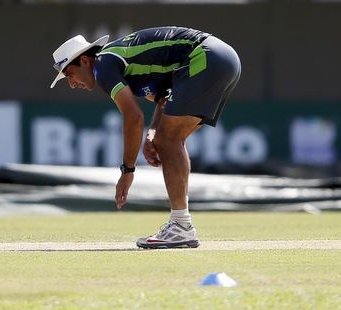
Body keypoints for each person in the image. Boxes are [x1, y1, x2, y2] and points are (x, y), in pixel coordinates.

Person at [50, 26, 241, 249]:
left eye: (69, 74)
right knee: (167, 139)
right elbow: (164, 98)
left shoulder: (102, 65)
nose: (72, 84)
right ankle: (181, 225)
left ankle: (181, 226)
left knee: (169, 140)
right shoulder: (123, 63)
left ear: (84, 61)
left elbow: (133, 117)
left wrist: (128, 170)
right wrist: (152, 134)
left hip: (206, 56)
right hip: (222, 59)